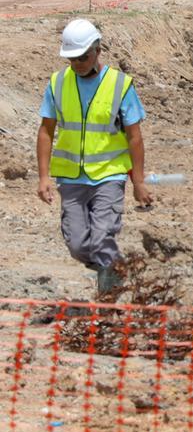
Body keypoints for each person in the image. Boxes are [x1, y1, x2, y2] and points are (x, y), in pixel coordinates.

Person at [36, 20, 153, 299]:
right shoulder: (58, 83)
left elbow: (134, 137)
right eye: (72, 59)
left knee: (102, 239)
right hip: (71, 177)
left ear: (98, 50)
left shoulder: (120, 86)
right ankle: (114, 267)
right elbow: (46, 131)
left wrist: (138, 182)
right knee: (77, 245)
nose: (77, 64)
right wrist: (43, 177)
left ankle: (108, 305)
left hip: (109, 176)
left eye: (83, 57)